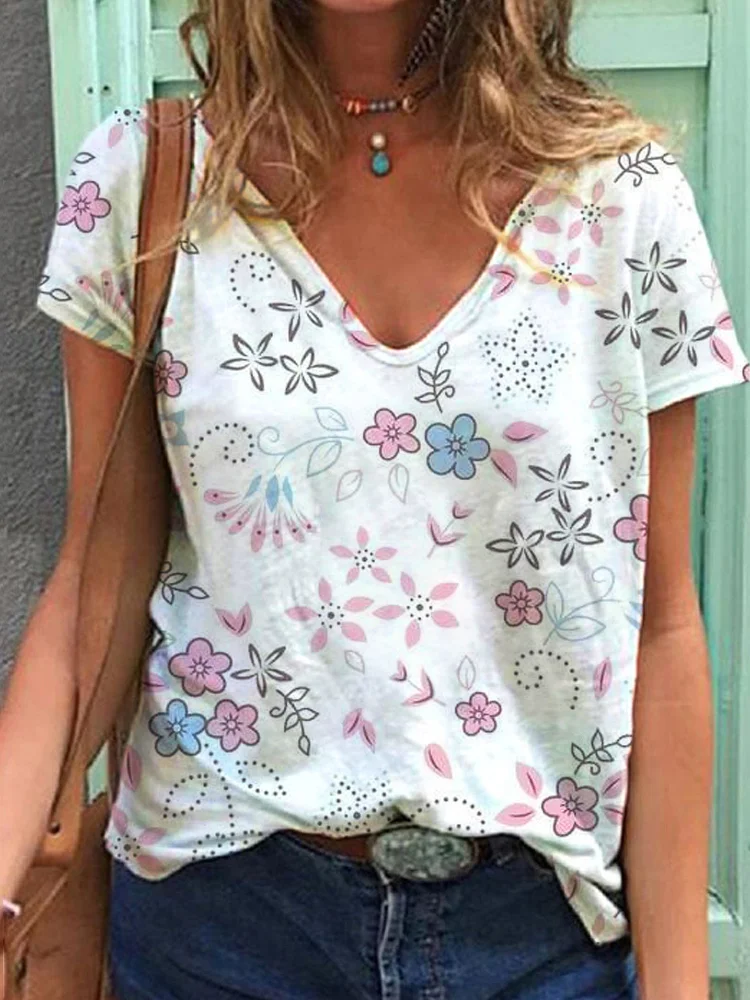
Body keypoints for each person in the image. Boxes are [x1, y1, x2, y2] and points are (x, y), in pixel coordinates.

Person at [2, 0, 747, 997]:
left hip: (539, 939)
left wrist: (679, 981)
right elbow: (93, 579)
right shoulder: (146, 186)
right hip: (219, 927)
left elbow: (662, 626)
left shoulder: (624, 198)